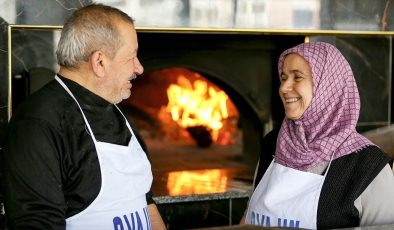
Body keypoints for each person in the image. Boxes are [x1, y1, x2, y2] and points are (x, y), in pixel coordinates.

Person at [0, 4, 166, 230]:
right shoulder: (37, 125)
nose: (139, 68)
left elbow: (145, 199)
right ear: (99, 62)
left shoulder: (117, 112)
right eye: (132, 57)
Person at [243, 42, 394, 229]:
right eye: (283, 78)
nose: (283, 88)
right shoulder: (273, 143)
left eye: (297, 77)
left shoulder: (369, 166)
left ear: (328, 86)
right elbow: (247, 219)